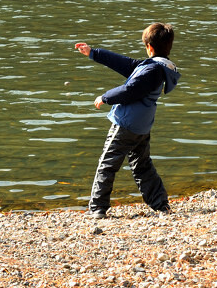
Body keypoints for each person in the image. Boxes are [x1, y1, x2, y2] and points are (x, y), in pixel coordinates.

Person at [74, 22, 181, 219]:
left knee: (107, 163)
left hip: (125, 124)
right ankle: (161, 204)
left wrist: (105, 97)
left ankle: (97, 208)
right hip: (142, 126)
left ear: (149, 47)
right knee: (142, 165)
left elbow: (130, 90)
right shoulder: (158, 67)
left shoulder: (151, 71)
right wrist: (93, 53)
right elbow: (125, 64)